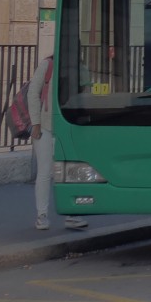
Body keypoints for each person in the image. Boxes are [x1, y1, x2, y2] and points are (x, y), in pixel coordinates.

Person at [27, 54, 88, 231]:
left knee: (72, 170)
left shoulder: (80, 67)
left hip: (68, 125)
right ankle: (42, 215)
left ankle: (72, 213)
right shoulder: (47, 65)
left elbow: (86, 90)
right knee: (45, 171)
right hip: (45, 126)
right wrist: (36, 123)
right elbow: (33, 93)